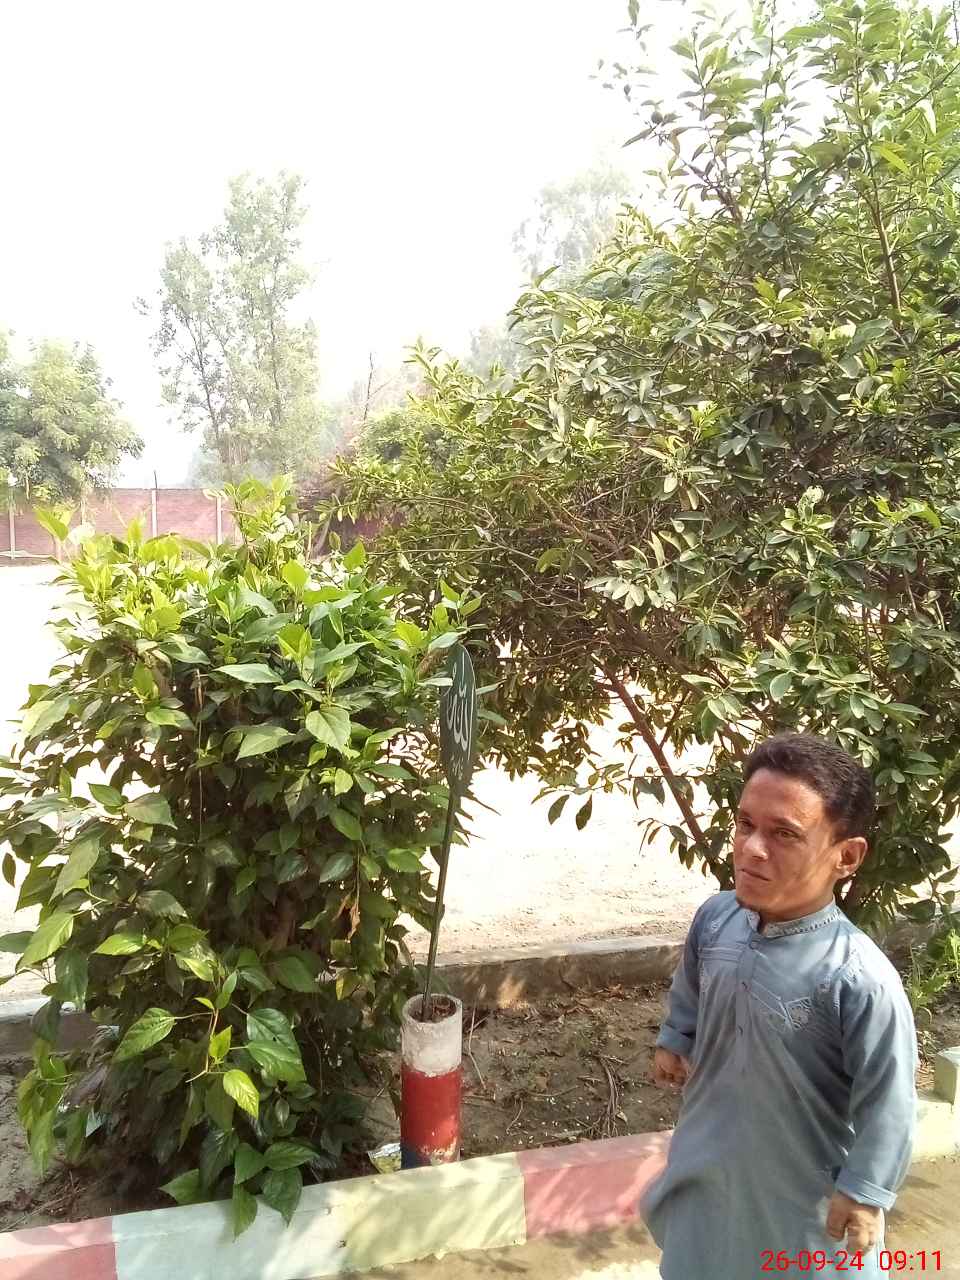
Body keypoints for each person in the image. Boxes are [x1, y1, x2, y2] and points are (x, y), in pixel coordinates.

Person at [642, 733, 917, 1280]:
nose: (751, 848)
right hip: (707, 1169)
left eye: (784, 834)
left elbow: (889, 1098)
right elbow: (692, 980)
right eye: (745, 824)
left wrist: (865, 1191)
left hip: (800, 1202)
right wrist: (677, 1036)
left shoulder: (858, 979)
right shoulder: (716, 919)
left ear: (846, 856)